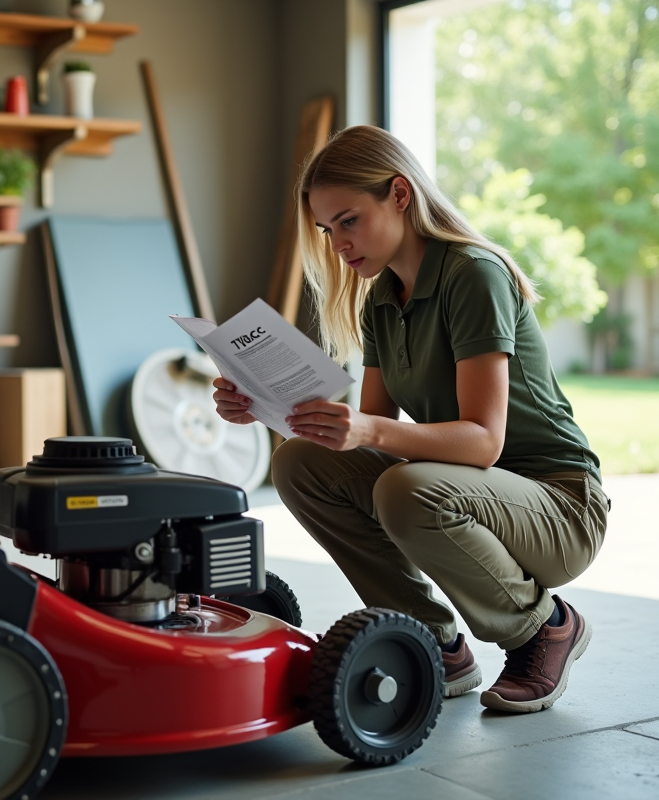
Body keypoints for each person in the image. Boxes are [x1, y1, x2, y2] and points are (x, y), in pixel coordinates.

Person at [212, 125, 608, 713]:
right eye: (327, 229)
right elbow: (371, 438)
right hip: (465, 494)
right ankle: (436, 642)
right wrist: (266, 408)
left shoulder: (474, 273)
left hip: (557, 508)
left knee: (406, 487)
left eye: (348, 220)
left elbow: (483, 443)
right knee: (300, 463)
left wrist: (367, 430)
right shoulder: (383, 298)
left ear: (400, 194)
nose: (338, 244)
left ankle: (543, 628)